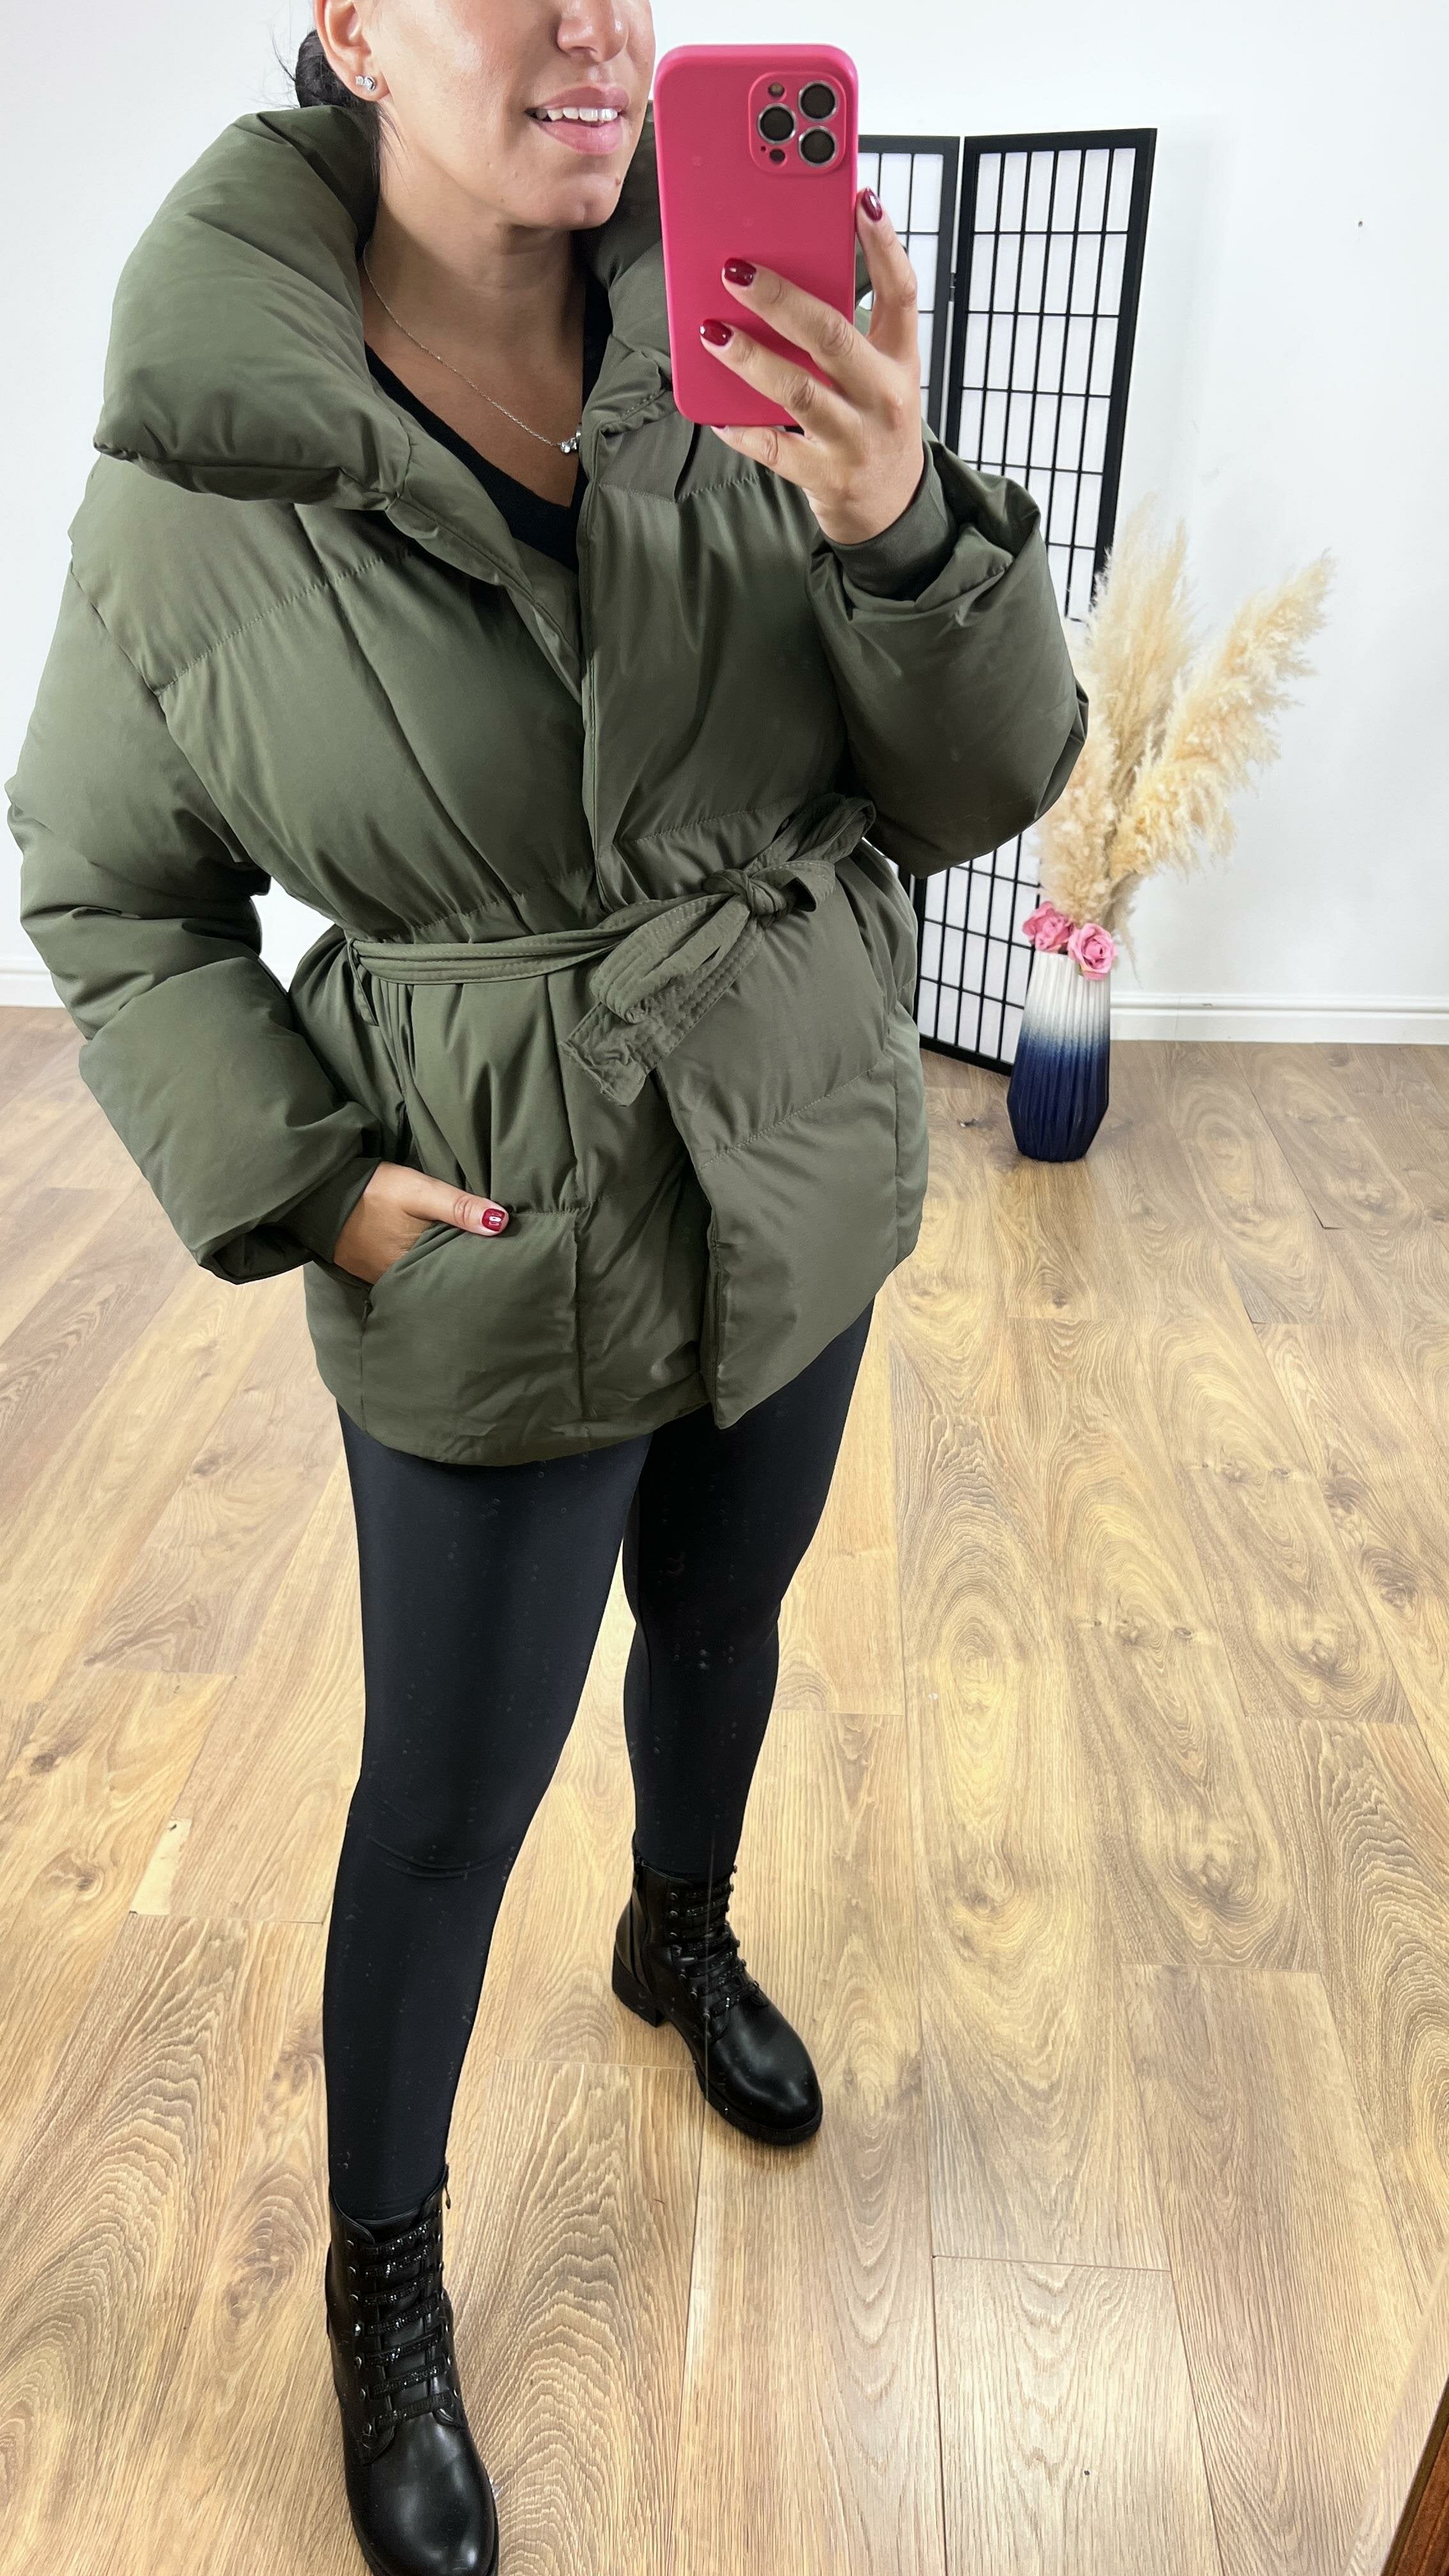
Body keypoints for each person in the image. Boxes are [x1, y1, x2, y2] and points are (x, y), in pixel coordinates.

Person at [6, 5, 1087, 2569]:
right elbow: (111, 889)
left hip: (791, 1147)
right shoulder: (202, 471)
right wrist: (315, 1185)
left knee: (725, 1620)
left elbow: (977, 783)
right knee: (445, 1796)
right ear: (354, 28)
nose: (595, 24)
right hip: (495, 1222)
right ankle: (386, 2285)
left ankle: (677, 1937)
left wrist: (899, 521)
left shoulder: (761, 337)